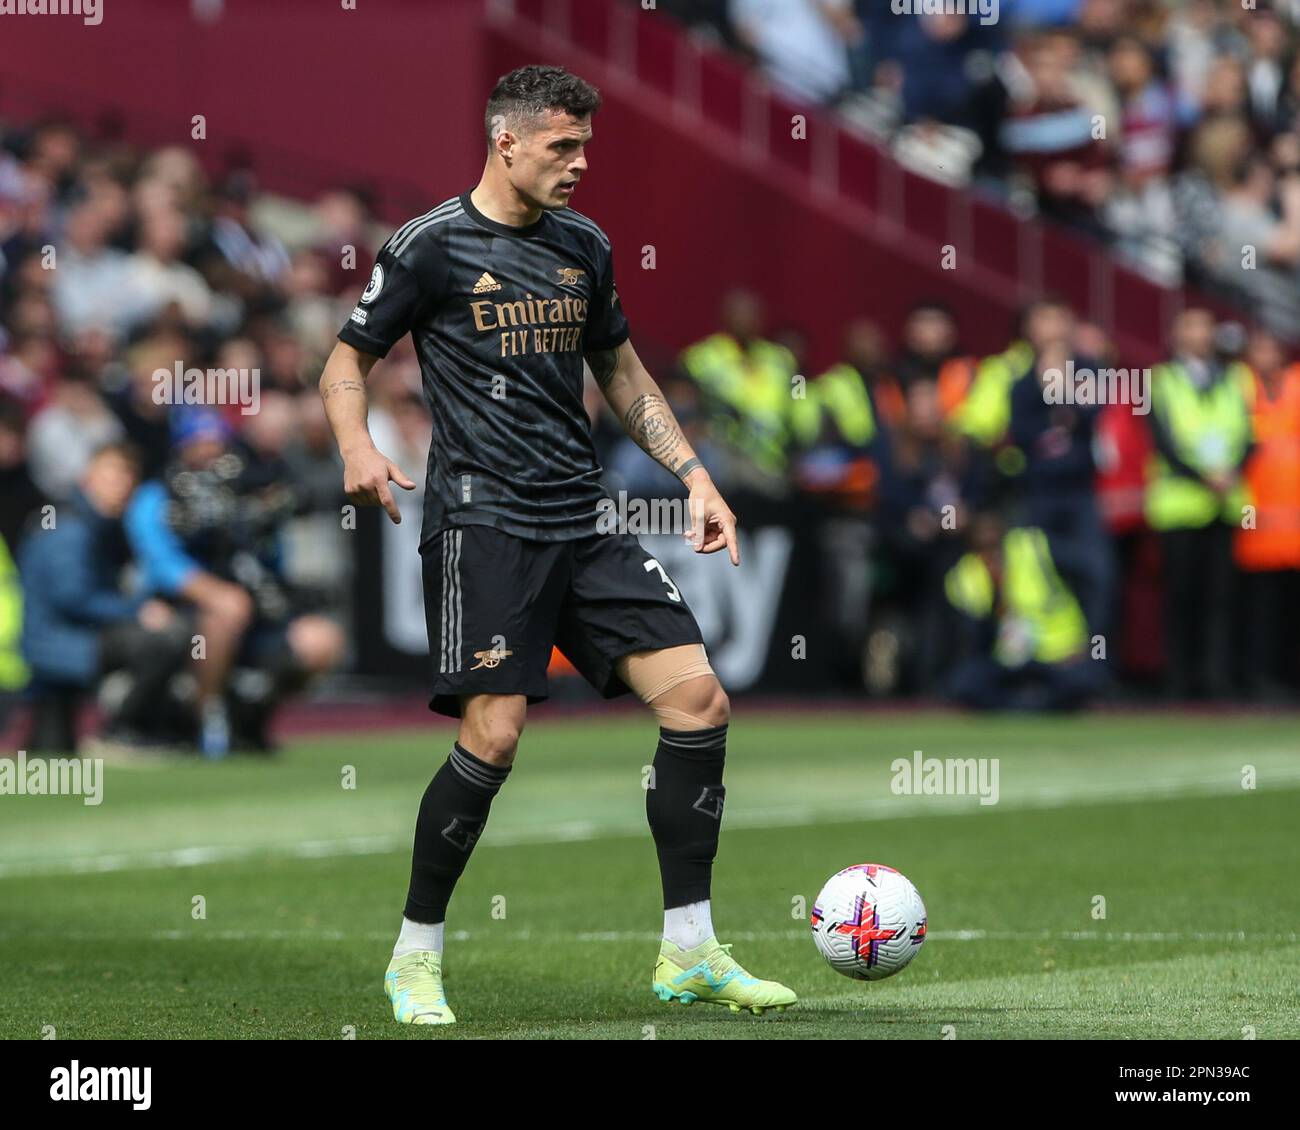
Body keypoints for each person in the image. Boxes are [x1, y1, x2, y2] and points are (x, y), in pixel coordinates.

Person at [319, 65, 796, 1025]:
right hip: (484, 521)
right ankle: (415, 957)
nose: (579, 165)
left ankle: (691, 953)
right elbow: (345, 362)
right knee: (494, 733)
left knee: (699, 701)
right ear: (506, 139)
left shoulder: (585, 245)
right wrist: (356, 446)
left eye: (585, 147)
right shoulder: (429, 247)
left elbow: (620, 369)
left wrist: (694, 476)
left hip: (583, 515)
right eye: (561, 147)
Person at [17, 442, 188, 752]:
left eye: (128, 480)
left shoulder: (97, 524)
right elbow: (72, 598)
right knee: (161, 639)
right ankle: (123, 729)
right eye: (112, 477)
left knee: (51, 752)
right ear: (87, 478)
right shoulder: (69, 527)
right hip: (57, 643)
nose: (121, 488)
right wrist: (137, 610)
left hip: (63, 640)